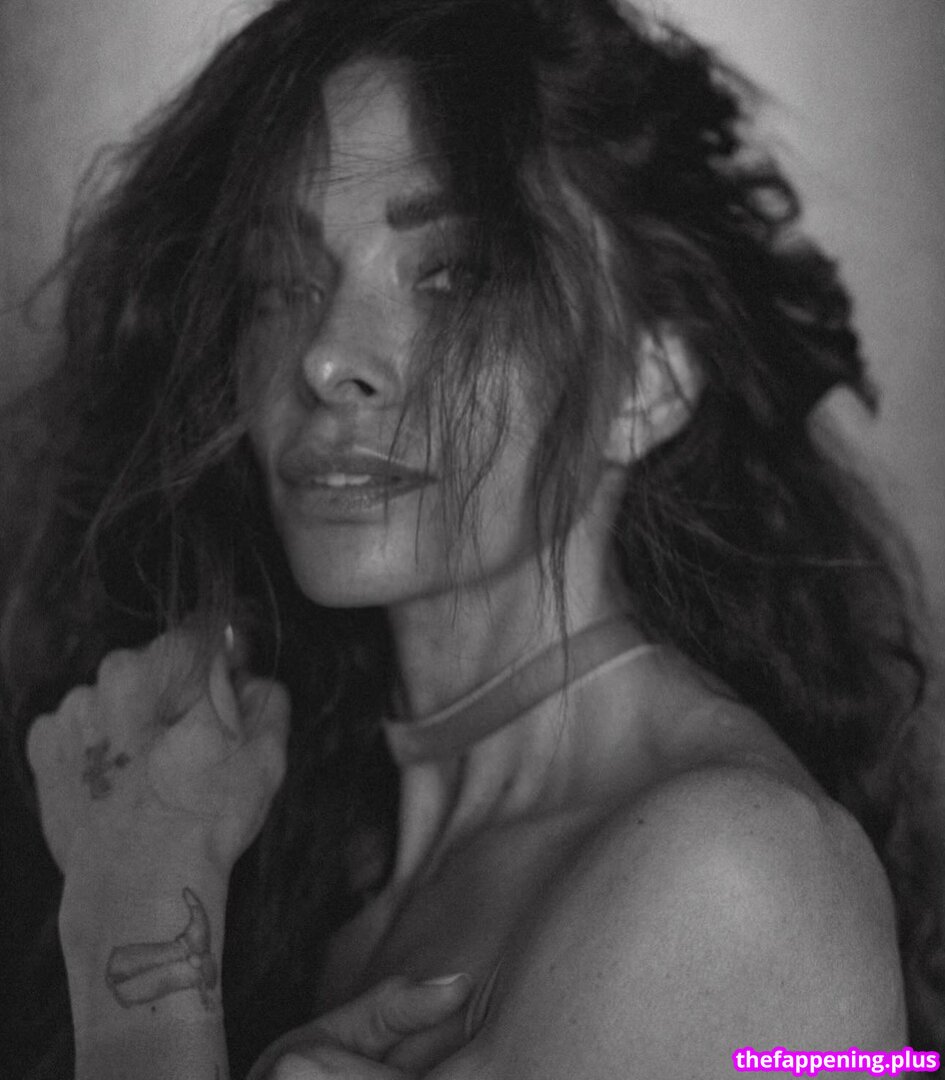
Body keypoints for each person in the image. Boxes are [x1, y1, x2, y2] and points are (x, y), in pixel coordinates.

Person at [1, 0, 943, 1076]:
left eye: (454, 275)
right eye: (281, 283)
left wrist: (131, 924)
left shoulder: (735, 880)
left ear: (649, 379)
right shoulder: (319, 845)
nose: (324, 359)